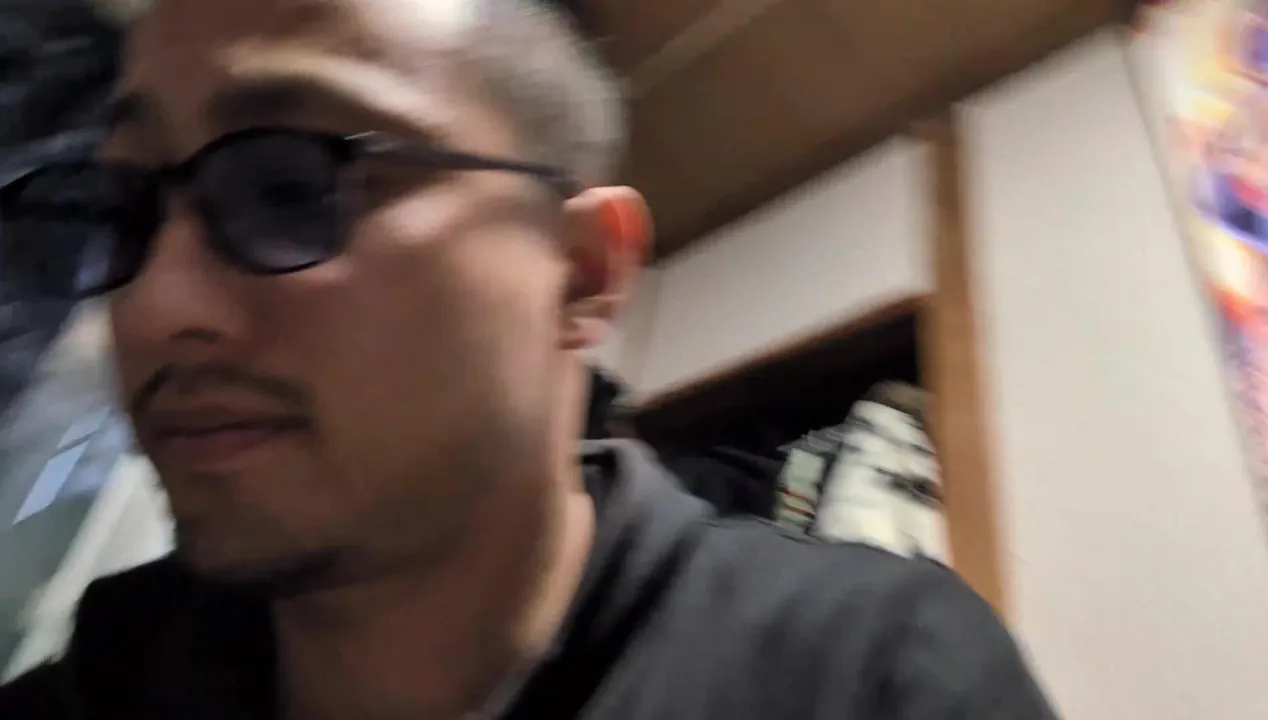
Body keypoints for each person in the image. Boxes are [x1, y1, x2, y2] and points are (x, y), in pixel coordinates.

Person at [0, 0, 1058, 717]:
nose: (155, 307)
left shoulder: (864, 675)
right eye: (124, 207)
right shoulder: (114, 671)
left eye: (288, 187)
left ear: (581, 274)